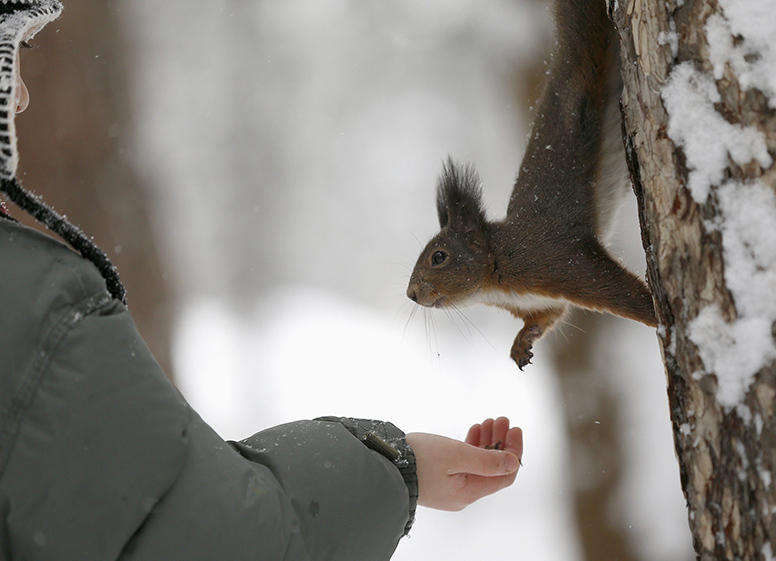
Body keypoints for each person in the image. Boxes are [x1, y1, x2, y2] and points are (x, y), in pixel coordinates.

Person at [0, 2, 523, 559]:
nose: (23, 96)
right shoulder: (35, 307)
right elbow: (215, 537)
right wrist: (399, 471)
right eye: (11, 52)